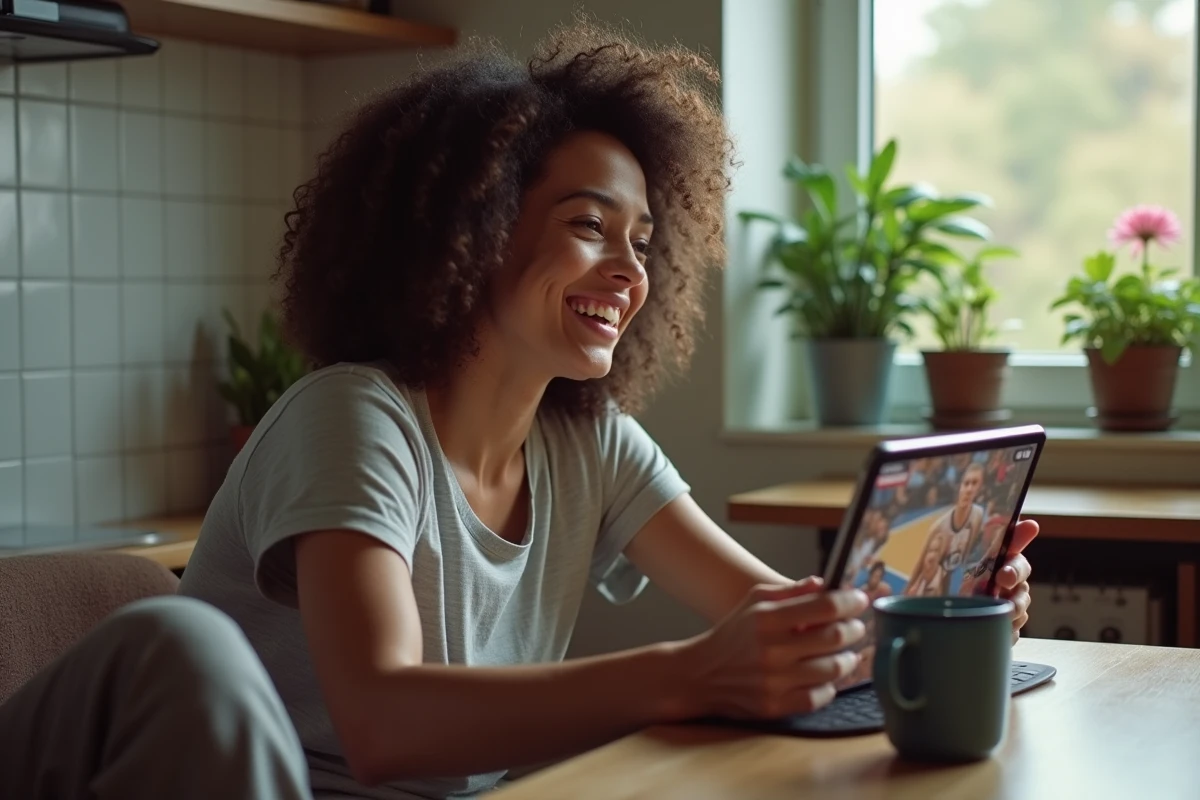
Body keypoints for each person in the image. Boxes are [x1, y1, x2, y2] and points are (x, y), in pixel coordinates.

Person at [0, 20, 1038, 800]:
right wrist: (683, 672)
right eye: (589, 226)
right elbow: (386, 721)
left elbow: (786, 625)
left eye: (641, 240)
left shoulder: (589, 442)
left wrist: (941, 610)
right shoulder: (353, 418)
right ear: (472, 229)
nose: (628, 273)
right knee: (181, 644)